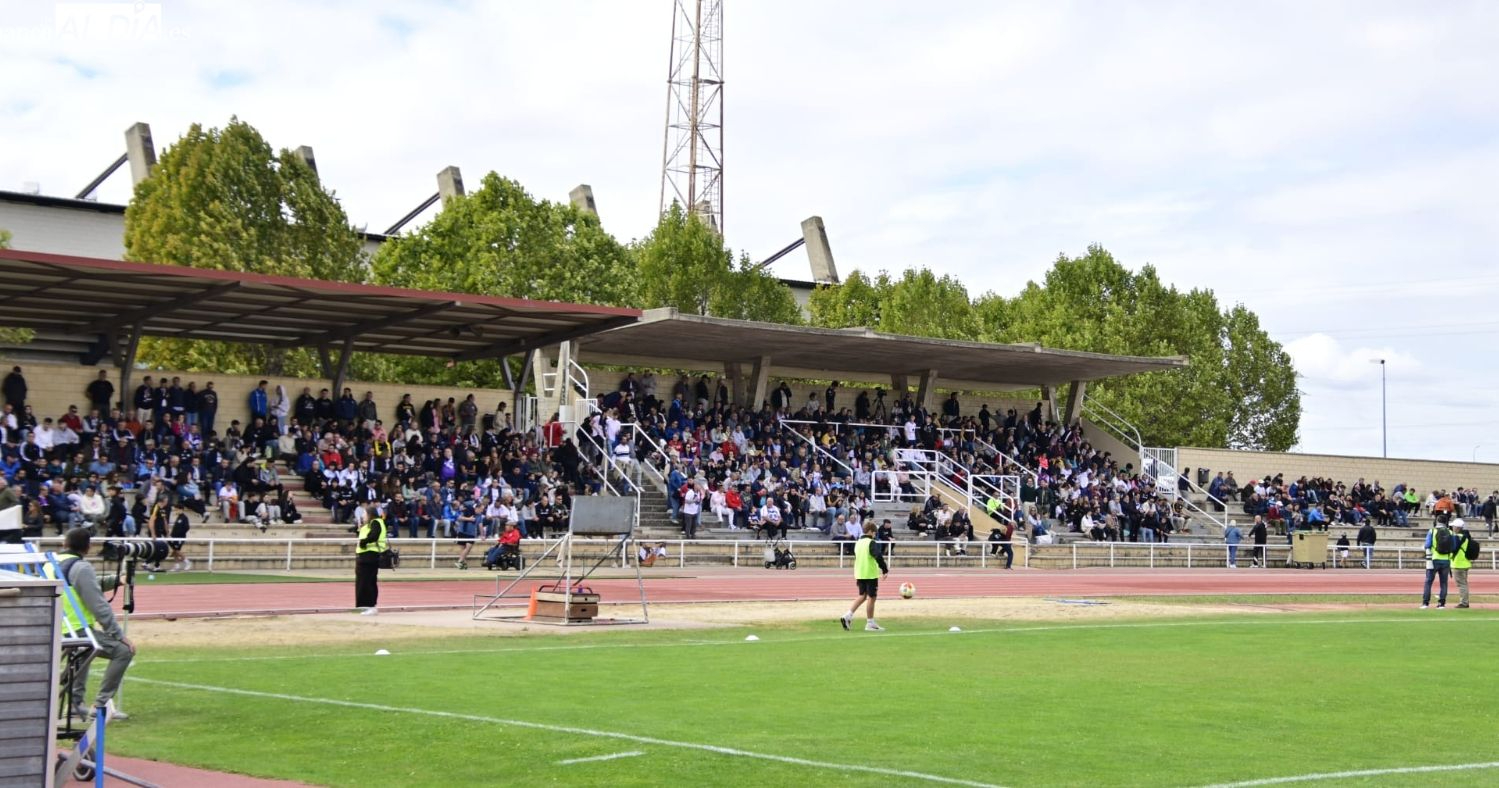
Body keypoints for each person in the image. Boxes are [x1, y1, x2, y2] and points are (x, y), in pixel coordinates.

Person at [44, 528, 135, 720]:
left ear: (64, 544)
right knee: (123, 651)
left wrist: (115, 580)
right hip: (77, 629)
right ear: (88, 547)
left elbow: (81, 584)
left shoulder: (49, 565)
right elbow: (98, 605)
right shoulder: (81, 567)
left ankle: (75, 706)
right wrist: (118, 635)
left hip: (56, 628)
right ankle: (100, 705)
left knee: (79, 658)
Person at [839, 521, 889, 632]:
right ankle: (870, 623)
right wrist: (884, 569)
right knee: (872, 597)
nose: (875, 534)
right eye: (874, 532)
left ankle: (847, 615)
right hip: (869, 574)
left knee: (862, 596)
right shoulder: (871, 542)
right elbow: (878, 556)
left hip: (859, 573)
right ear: (870, 531)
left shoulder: (858, 542)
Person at [355, 503, 387, 615]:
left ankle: (369, 606)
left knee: (366, 582)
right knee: (365, 581)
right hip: (365, 555)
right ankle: (365, 606)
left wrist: (363, 542)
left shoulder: (376, 522)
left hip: (370, 555)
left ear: (369, 514)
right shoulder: (369, 524)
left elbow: (374, 536)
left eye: (364, 513)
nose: (363, 516)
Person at [1420, 516, 1457, 609]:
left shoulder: (1432, 531)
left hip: (1434, 559)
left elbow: (1427, 545)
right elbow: (1454, 547)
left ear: (1436, 521)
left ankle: (1425, 603)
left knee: (1428, 582)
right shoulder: (1451, 532)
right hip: (1446, 560)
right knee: (1444, 583)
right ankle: (1442, 603)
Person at [1452, 518, 1474, 609]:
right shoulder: (1466, 537)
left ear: (1457, 528)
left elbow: (1452, 549)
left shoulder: (1457, 537)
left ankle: (1464, 602)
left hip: (1458, 563)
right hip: (1465, 563)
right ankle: (1464, 601)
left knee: (1462, 584)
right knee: (1463, 583)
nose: (1452, 527)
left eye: (1453, 526)